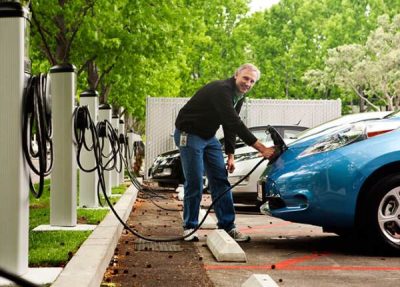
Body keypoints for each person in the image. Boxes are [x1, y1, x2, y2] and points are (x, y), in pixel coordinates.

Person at [174, 63, 275, 242]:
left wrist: (231, 155)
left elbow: (230, 127)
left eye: (252, 81)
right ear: (236, 75)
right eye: (245, 78)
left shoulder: (239, 96)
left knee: (220, 180)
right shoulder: (221, 90)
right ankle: (189, 226)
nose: (248, 83)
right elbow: (234, 122)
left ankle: (228, 226)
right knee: (195, 181)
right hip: (188, 134)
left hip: (208, 136)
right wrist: (262, 149)